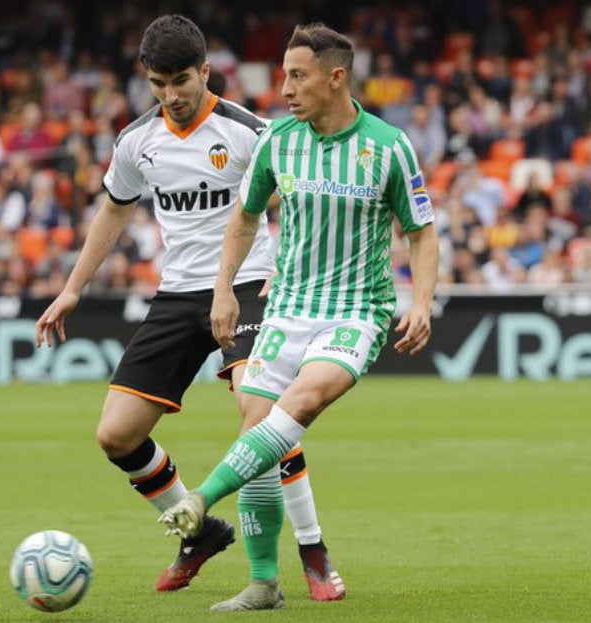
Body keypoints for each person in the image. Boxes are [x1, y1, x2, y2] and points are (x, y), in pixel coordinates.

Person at [35, 14, 345, 604]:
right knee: (116, 435)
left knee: (262, 417)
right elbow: (114, 211)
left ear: (206, 72)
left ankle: (311, 548)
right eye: (159, 83)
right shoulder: (137, 142)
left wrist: (288, 269)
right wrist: (73, 287)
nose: (171, 95)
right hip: (178, 295)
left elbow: (294, 201)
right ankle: (199, 532)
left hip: (251, 284)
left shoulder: (251, 133)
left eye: (181, 80)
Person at [160, 22, 439, 611]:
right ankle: (265, 583)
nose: (284, 87)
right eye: (285, 74)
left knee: (301, 403)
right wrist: (223, 292)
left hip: (357, 312)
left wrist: (420, 301)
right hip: (287, 307)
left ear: (336, 78)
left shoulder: (388, 146)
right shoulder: (278, 141)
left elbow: (420, 230)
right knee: (256, 428)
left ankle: (201, 499)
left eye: (297, 75)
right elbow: (243, 218)